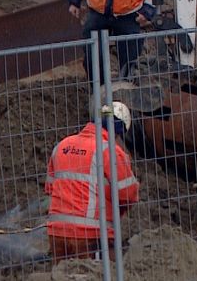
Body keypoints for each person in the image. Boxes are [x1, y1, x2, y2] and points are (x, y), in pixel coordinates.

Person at [46, 101, 140, 263]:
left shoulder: (62, 146)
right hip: (91, 235)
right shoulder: (110, 151)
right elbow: (128, 194)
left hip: (57, 232)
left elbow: (49, 188)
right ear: (118, 132)